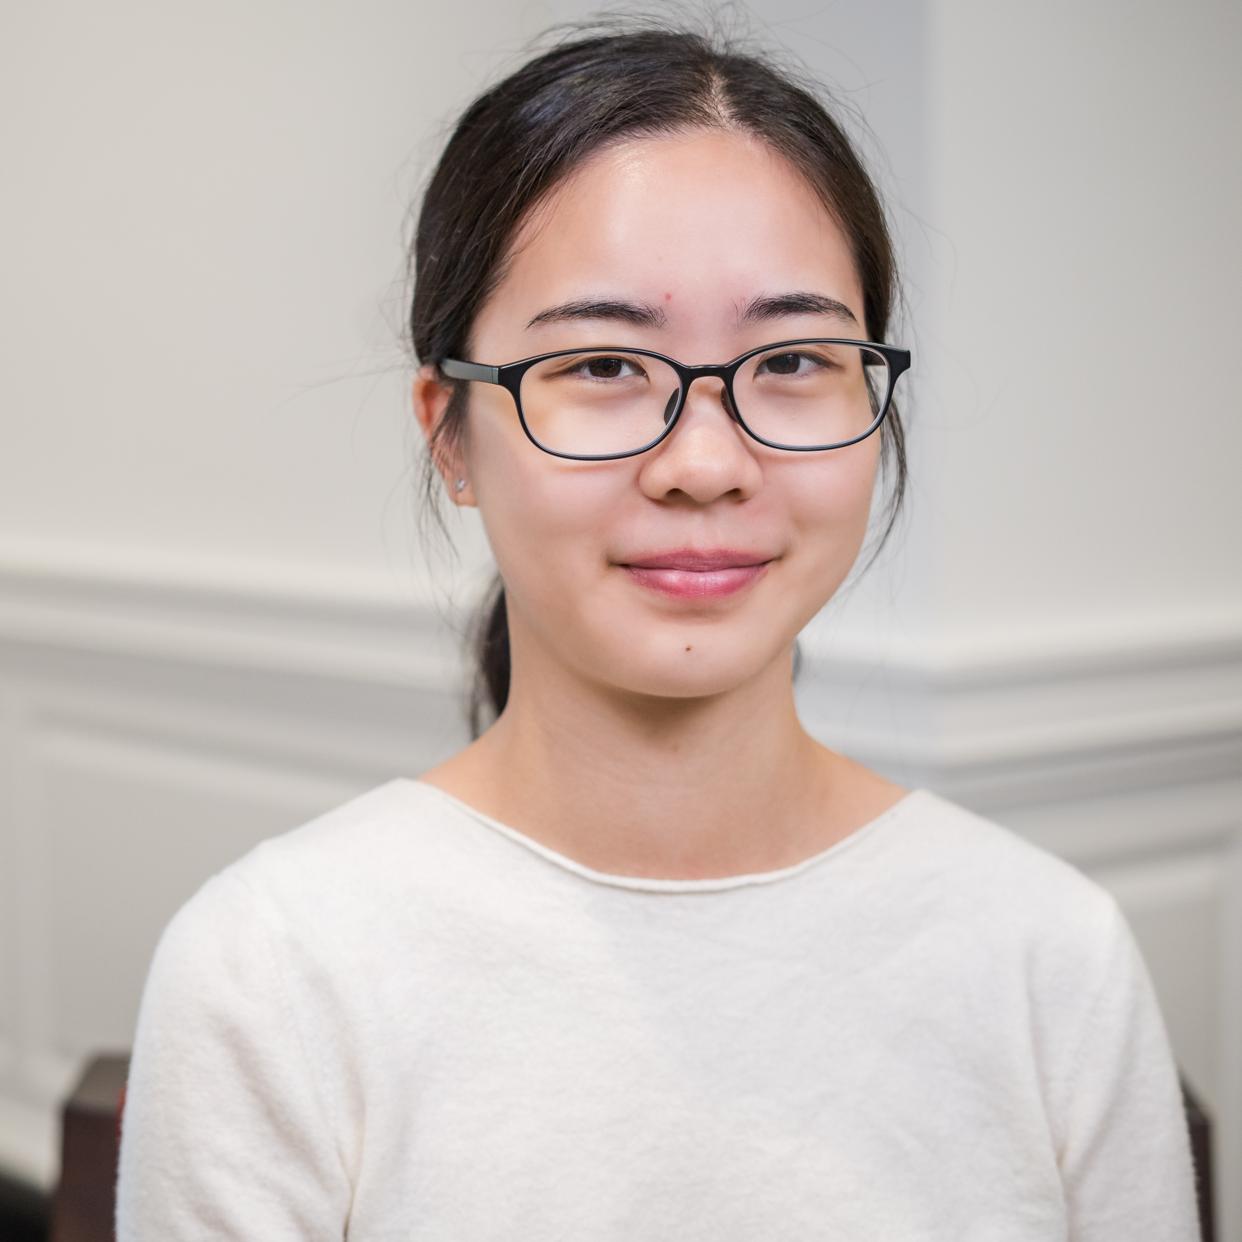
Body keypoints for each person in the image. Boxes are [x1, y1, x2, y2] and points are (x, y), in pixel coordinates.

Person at [115, 18, 1202, 1241]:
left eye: (792, 358)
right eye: (602, 366)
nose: (704, 462)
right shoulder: (276, 971)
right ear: (449, 434)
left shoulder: (1050, 955)